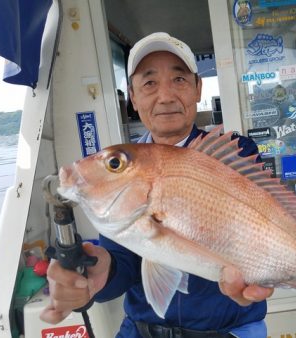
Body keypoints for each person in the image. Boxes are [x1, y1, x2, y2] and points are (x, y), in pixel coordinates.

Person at [41, 32, 273, 337]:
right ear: (133, 98)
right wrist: (100, 273)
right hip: (139, 330)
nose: (165, 96)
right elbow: (122, 260)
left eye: (179, 80)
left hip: (225, 330)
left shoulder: (235, 152)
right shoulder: (122, 166)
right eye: (149, 83)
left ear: (197, 89)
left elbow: (261, 234)